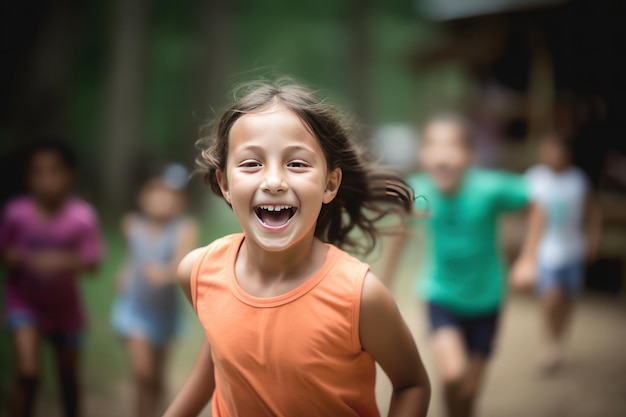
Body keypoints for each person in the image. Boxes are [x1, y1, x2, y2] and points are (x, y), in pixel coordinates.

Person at [162, 79, 431, 417]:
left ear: (330, 184)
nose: (274, 181)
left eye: (297, 164)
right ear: (225, 184)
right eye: (251, 163)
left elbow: (412, 384)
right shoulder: (198, 272)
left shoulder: (359, 297)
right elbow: (221, 354)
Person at [383, 114, 544, 417]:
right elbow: (399, 233)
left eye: (453, 146)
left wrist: (528, 258)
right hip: (440, 294)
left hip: (487, 298)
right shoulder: (418, 191)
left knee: (468, 389)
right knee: (453, 374)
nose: (442, 154)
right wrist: (384, 284)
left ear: (471, 156)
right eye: (433, 145)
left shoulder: (490, 188)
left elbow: (536, 203)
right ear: (423, 155)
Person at [0, 139, 104, 417]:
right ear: (28, 177)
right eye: (38, 171)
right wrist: (14, 258)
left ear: (69, 175)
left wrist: (58, 261)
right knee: (28, 373)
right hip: (24, 304)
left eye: (54, 171)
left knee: (68, 380)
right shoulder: (16, 214)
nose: (46, 179)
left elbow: (93, 262)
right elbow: (5, 249)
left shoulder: (81, 217)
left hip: (66, 311)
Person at [111, 164, 198, 417]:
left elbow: (183, 264)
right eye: (155, 192)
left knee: (157, 376)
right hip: (133, 308)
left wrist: (164, 273)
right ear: (142, 196)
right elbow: (131, 258)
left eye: (169, 194)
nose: (162, 200)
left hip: (164, 313)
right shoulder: (131, 225)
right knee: (143, 373)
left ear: (181, 201)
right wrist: (124, 274)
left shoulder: (184, 229)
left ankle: (159, 411)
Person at [525, 135, 602, 372]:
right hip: (546, 250)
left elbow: (592, 211)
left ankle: (558, 343)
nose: (551, 156)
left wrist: (592, 240)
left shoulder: (578, 180)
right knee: (550, 298)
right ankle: (549, 343)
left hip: (573, 249)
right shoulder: (534, 178)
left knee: (568, 300)